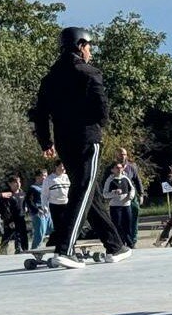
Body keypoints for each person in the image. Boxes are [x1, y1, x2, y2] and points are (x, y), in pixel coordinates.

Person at [30, 27, 131, 269]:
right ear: (80, 46)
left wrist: (46, 142)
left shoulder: (50, 77)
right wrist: (98, 126)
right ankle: (65, 249)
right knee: (83, 190)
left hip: (63, 141)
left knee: (90, 192)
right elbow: (101, 108)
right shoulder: (89, 73)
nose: (91, 52)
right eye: (89, 47)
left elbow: (39, 114)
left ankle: (115, 245)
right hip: (87, 139)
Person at [115, 147, 145, 247]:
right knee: (120, 221)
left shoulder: (131, 167)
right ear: (116, 155)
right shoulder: (112, 167)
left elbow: (137, 180)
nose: (122, 156)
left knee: (134, 218)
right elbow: (106, 182)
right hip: (118, 198)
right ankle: (121, 241)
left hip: (131, 196)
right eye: (120, 154)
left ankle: (133, 241)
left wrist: (141, 194)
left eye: (124, 154)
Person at [102, 162, 135, 248]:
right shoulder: (110, 180)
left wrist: (130, 196)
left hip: (126, 205)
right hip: (115, 206)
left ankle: (130, 243)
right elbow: (105, 194)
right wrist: (114, 193)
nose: (119, 169)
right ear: (112, 170)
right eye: (117, 167)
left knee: (128, 224)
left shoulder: (126, 178)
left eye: (121, 167)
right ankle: (120, 243)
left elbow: (132, 189)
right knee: (118, 225)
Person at [0, 175, 29, 254]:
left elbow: (25, 203)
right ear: (10, 184)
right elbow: (4, 209)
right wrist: (9, 220)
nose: (18, 184)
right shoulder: (7, 194)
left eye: (19, 182)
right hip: (10, 219)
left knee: (22, 235)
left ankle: (22, 249)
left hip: (21, 217)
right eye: (15, 182)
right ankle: (3, 250)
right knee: (8, 235)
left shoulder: (22, 193)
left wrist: (26, 208)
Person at [42, 161, 71, 245]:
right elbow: (44, 194)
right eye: (61, 166)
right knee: (58, 226)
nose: (63, 168)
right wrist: (45, 206)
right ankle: (55, 242)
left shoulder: (67, 177)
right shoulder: (49, 179)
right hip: (55, 205)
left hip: (66, 204)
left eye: (64, 166)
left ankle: (66, 243)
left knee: (67, 225)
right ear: (56, 167)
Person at [28, 169, 52, 249]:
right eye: (43, 176)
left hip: (48, 212)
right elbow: (29, 201)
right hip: (39, 213)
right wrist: (37, 210)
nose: (45, 178)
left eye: (46, 176)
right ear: (37, 177)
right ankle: (35, 250)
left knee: (54, 230)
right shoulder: (33, 188)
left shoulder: (47, 187)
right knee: (40, 233)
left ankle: (53, 247)